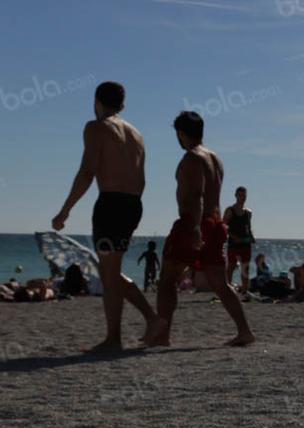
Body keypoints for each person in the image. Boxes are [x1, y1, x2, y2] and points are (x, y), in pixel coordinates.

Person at [51, 81, 157, 351]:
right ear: (122, 105)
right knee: (110, 271)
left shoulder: (96, 127)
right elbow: (141, 179)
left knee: (109, 272)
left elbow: (87, 171)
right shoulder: (136, 134)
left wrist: (65, 209)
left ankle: (117, 337)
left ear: (96, 101)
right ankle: (151, 321)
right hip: (133, 204)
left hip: (111, 204)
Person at [147, 111, 255, 347]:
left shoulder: (192, 158)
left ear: (181, 133)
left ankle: (162, 335)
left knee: (167, 280)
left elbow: (195, 196)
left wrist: (194, 229)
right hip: (216, 224)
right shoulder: (215, 158)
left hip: (193, 223)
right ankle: (244, 331)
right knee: (219, 281)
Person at [223, 186, 255, 293]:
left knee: (245, 268)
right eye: (240, 195)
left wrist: (251, 236)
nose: (242, 197)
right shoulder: (230, 210)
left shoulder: (248, 212)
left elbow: (248, 227)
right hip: (234, 243)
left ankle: (245, 290)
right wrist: (233, 237)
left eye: (244, 195)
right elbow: (223, 226)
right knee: (231, 267)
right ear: (236, 195)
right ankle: (227, 289)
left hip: (245, 243)